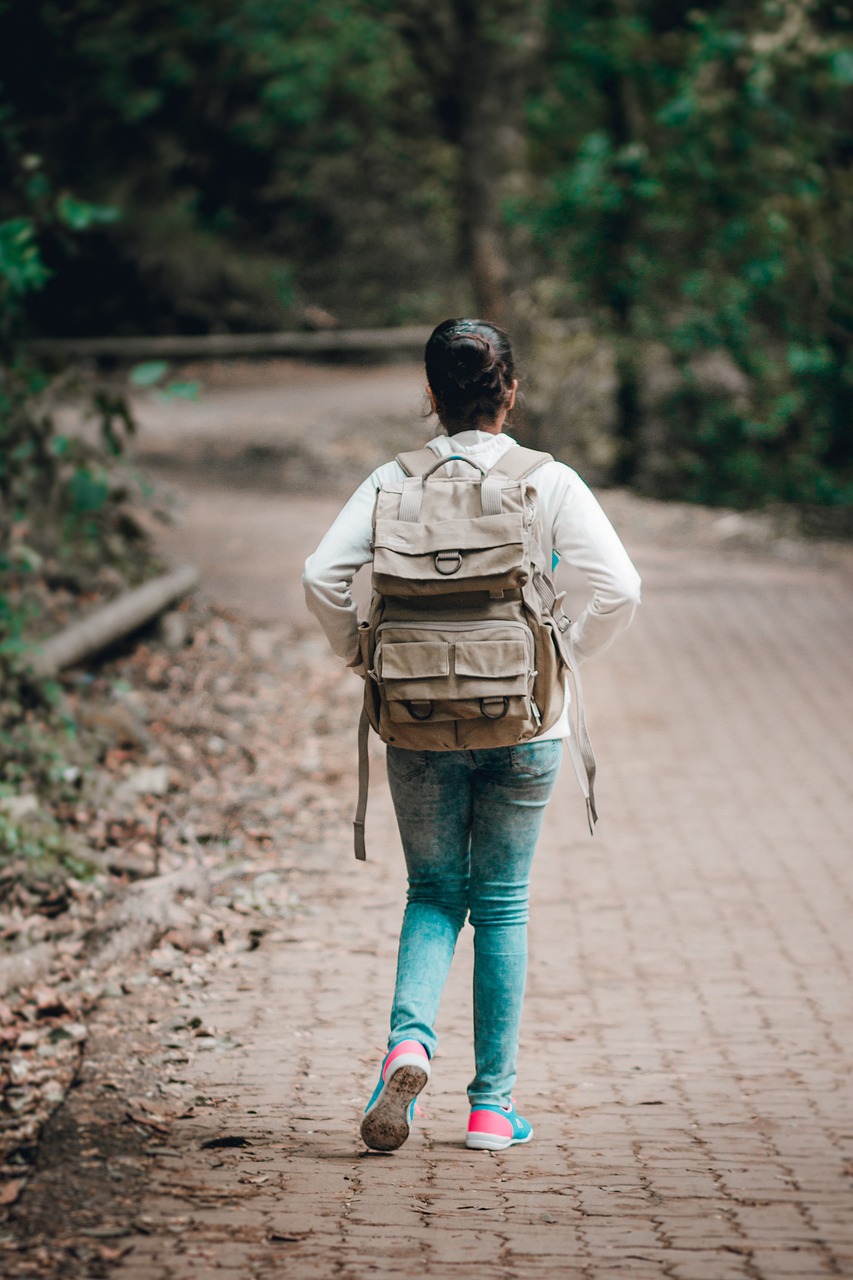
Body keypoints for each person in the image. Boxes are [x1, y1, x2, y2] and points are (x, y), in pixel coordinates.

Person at [303, 317, 641, 1153]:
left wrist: (360, 655)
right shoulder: (546, 479)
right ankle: (491, 1108)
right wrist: (565, 652)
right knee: (501, 904)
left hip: (415, 716)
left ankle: (407, 1048)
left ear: (429, 395)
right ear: (510, 392)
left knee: (431, 893)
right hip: (526, 719)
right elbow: (620, 586)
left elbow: (320, 575)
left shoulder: (390, 480)